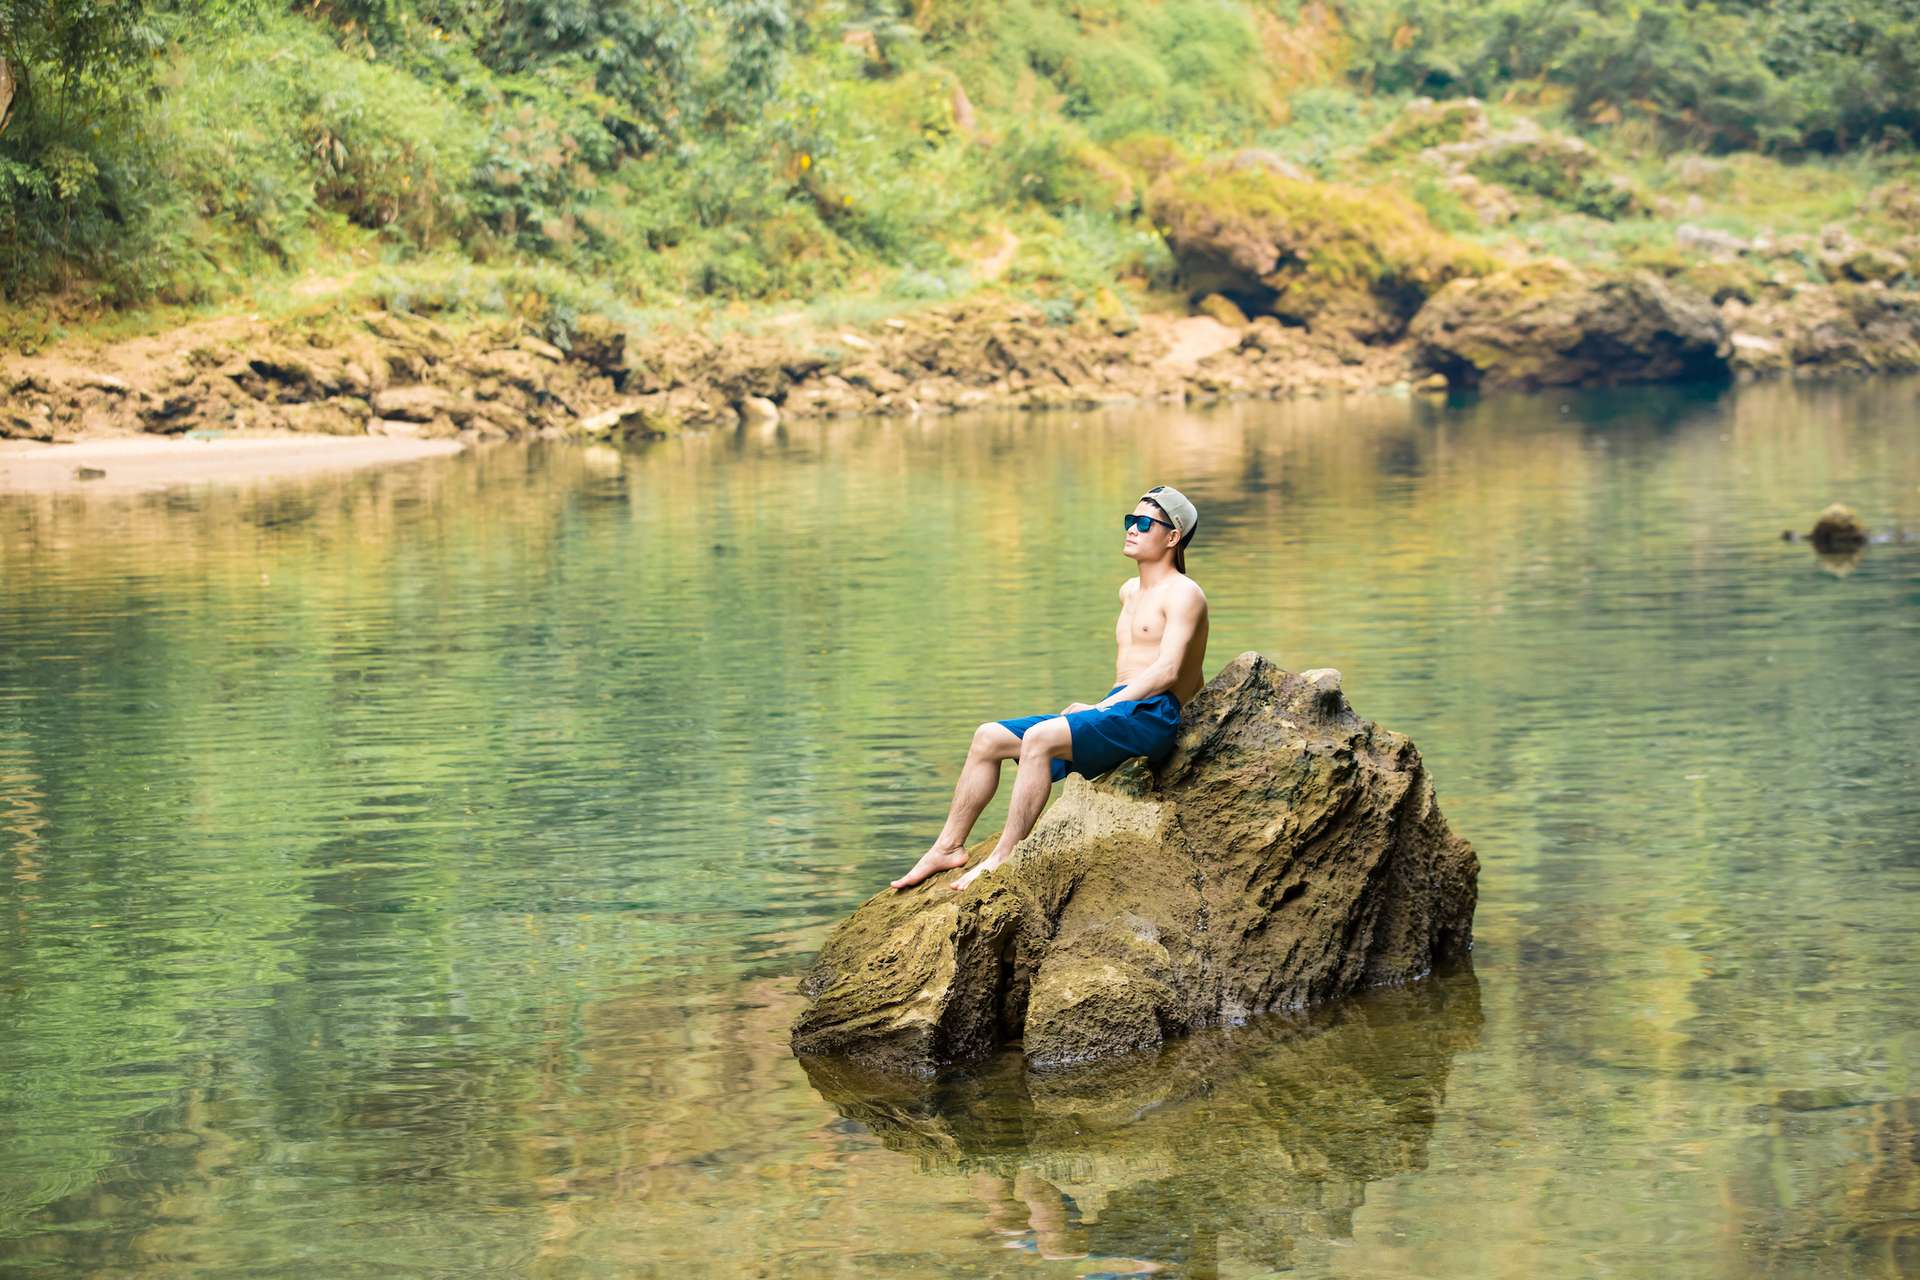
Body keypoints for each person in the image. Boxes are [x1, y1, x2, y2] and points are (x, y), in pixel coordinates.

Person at [891, 485, 1210, 892]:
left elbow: (1168, 671)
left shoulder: (1185, 593)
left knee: (1041, 738)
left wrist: (1100, 708)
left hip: (1152, 716)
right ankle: (947, 848)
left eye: (1144, 523)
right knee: (988, 737)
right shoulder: (1129, 591)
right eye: (1129, 521)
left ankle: (1004, 856)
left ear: (1172, 537)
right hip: (1121, 712)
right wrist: (1103, 710)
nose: (1131, 529)